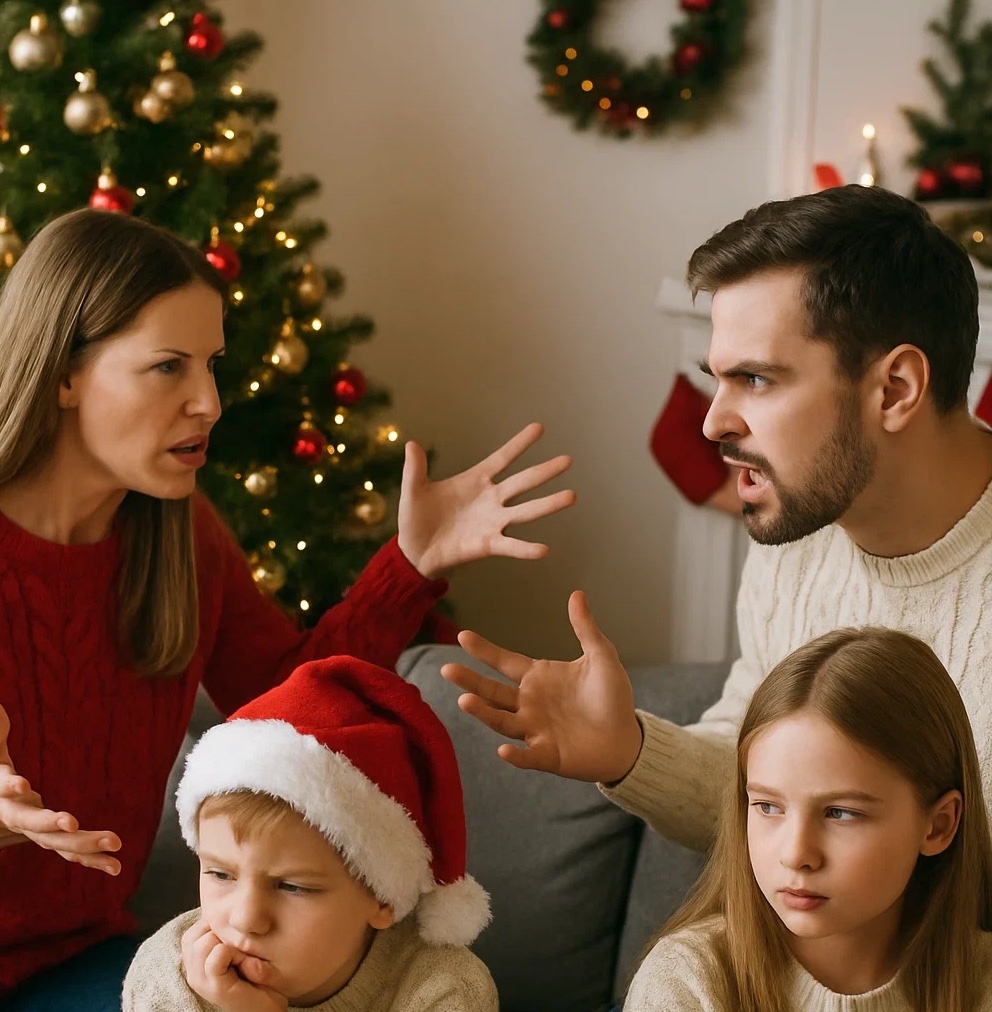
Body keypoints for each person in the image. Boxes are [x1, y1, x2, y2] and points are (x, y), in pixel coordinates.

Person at [0, 208, 573, 1005]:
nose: (209, 401)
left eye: (212, 366)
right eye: (169, 366)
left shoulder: (183, 538)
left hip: (86, 956)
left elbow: (286, 699)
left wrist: (410, 565)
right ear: (63, 372)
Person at [441, 183, 992, 853]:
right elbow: (754, 779)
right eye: (717, 378)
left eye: (756, 379)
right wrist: (629, 751)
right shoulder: (796, 541)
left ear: (896, 390)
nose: (712, 422)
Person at [625, 627, 992, 1012]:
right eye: (768, 807)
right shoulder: (686, 982)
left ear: (938, 826)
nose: (796, 854)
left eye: (841, 813)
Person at [122, 654, 499, 1012]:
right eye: (221, 874)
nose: (246, 919)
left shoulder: (444, 986)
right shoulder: (168, 972)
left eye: (292, 886)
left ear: (383, 898)